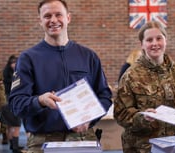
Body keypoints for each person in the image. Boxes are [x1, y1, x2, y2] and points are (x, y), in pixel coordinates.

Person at [8, 0, 112, 152]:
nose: (53, 20)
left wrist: (90, 119)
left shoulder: (88, 56)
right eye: (47, 16)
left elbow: (104, 96)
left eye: (58, 15)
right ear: (40, 21)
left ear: (68, 18)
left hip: (83, 138)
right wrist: (39, 101)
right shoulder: (28, 58)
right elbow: (16, 104)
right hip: (42, 141)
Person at [114, 21, 175, 153]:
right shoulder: (131, 76)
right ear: (142, 44)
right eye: (149, 40)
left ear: (165, 40)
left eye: (159, 38)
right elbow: (120, 114)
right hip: (146, 148)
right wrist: (142, 117)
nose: (155, 43)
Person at [0, 55, 24, 153]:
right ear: (9, 64)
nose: (14, 65)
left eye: (15, 63)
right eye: (12, 63)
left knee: (10, 125)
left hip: (7, 102)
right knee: (16, 124)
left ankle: (12, 145)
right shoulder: (13, 75)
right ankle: (15, 147)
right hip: (10, 102)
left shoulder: (7, 74)